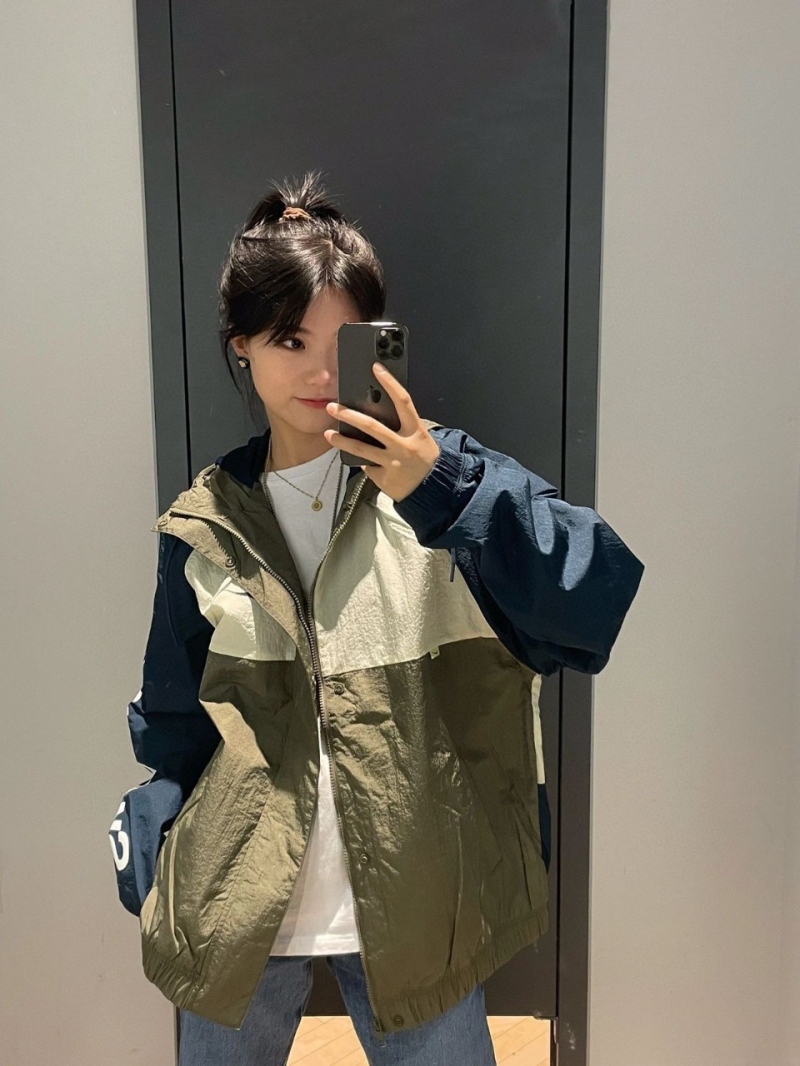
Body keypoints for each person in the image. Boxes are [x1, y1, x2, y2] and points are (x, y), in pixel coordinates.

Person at [108, 171, 645, 1065]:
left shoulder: (446, 480)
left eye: (345, 342)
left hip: (421, 905)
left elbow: (593, 604)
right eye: (289, 339)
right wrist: (157, 835)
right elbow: (175, 724)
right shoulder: (205, 522)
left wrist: (443, 491)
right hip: (239, 910)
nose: (322, 373)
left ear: (380, 343)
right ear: (241, 347)